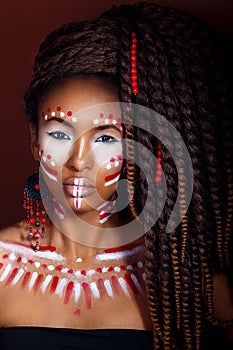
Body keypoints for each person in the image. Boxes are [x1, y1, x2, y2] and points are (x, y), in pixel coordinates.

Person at [0, 2, 232, 349]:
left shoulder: (188, 282)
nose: (79, 161)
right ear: (34, 140)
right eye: (59, 134)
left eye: (106, 138)